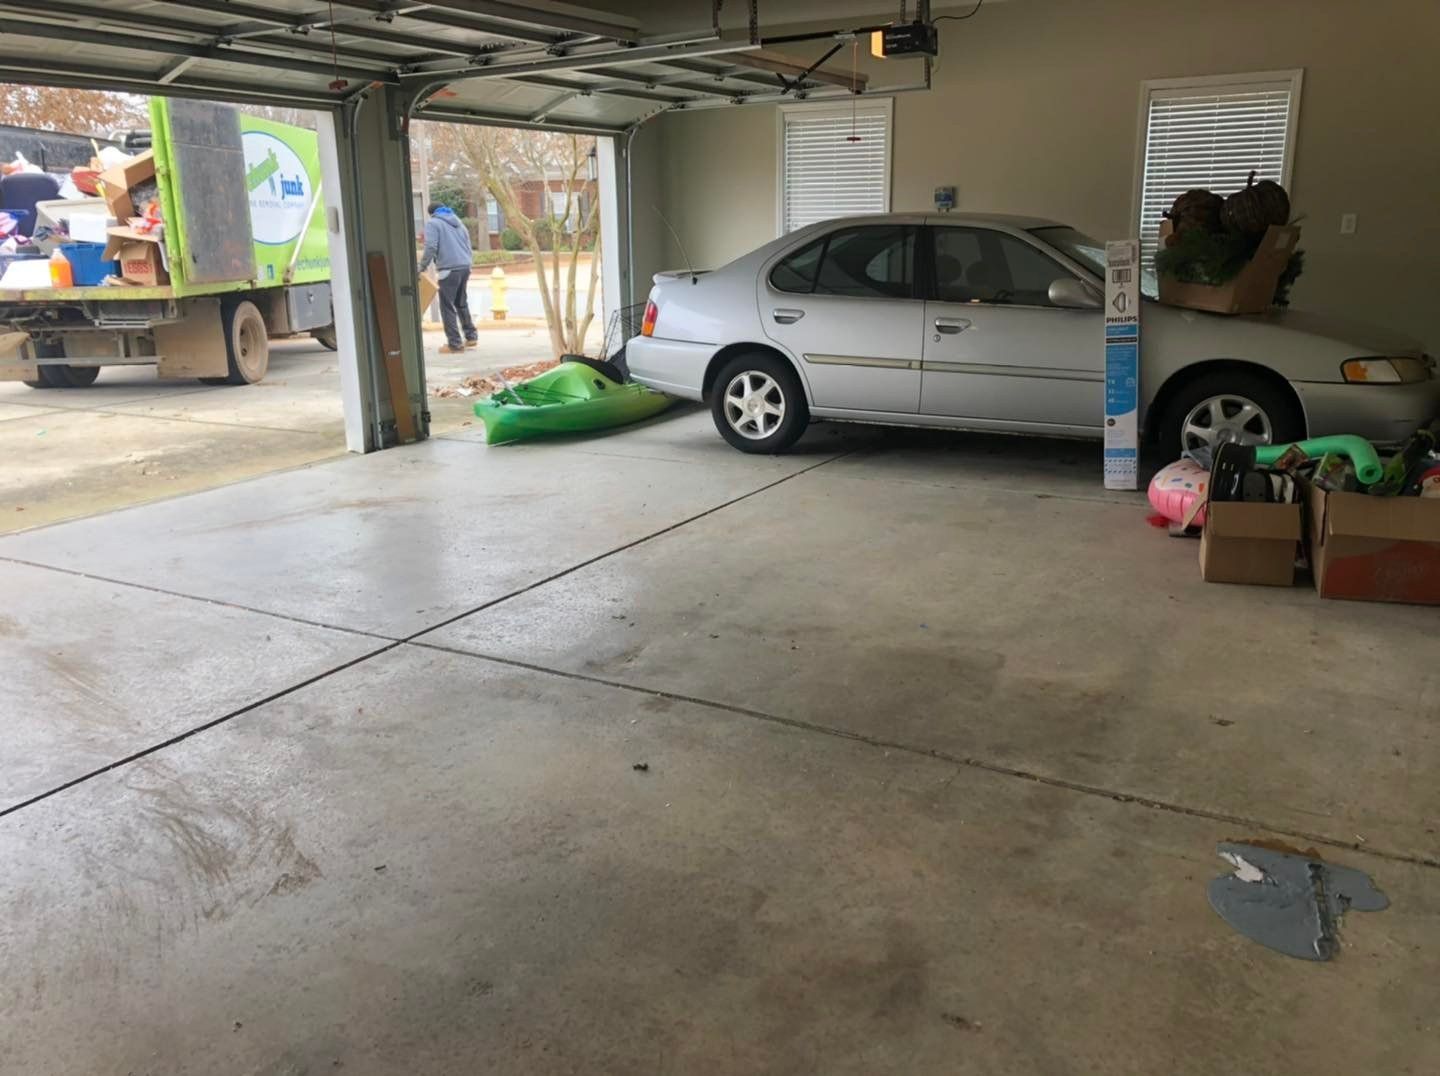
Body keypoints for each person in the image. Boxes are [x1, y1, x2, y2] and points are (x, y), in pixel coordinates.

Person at [418, 202, 477, 354]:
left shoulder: (433, 223)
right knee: (461, 302)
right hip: (465, 267)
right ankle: (471, 336)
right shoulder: (458, 222)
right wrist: (467, 263)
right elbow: (468, 245)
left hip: (449, 269)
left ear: (431, 213)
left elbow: (431, 246)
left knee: (447, 306)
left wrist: (421, 267)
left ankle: (455, 344)